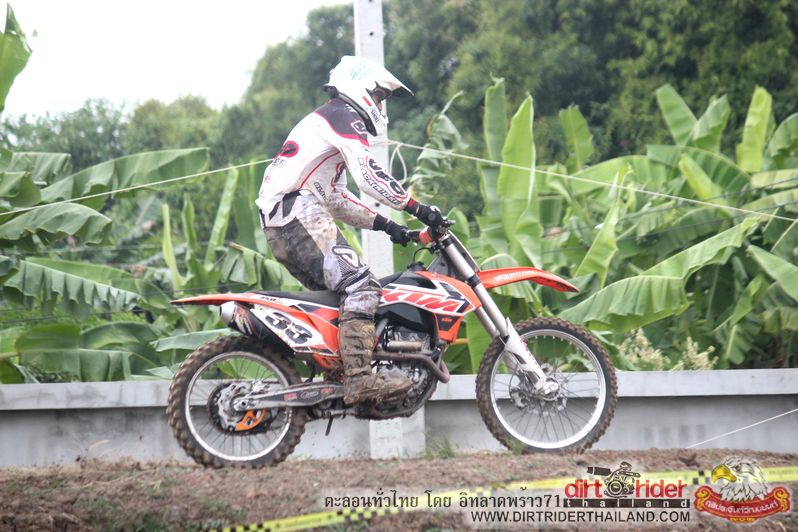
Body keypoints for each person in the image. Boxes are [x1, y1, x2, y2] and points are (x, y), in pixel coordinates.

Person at [255, 56, 443, 405]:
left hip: (282, 222)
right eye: (380, 97)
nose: (381, 106)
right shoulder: (343, 116)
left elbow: (338, 199)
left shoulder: (327, 122)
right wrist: (417, 208)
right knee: (361, 286)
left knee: (337, 301)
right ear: (362, 88)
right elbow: (369, 175)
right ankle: (359, 380)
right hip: (298, 214)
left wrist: (390, 227)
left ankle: (338, 376)